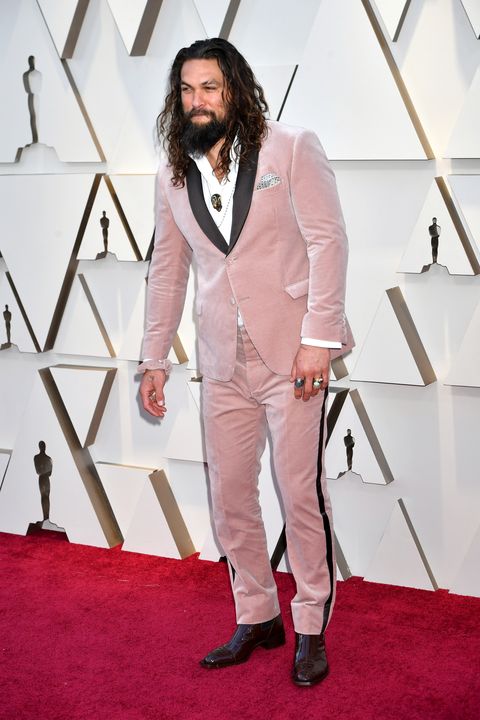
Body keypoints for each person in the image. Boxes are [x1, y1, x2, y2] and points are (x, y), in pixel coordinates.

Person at [139, 38, 353, 687]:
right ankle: (258, 614)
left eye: (210, 86)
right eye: (187, 90)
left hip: (293, 355)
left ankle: (311, 622)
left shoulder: (291, 147)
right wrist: (155, 358)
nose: (198, 100)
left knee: (299, 495)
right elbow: (168, 271)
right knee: (230, 496)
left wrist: (320, 337)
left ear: (234, 87)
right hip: (221, 360)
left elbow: (328, 240)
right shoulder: (174, 174)